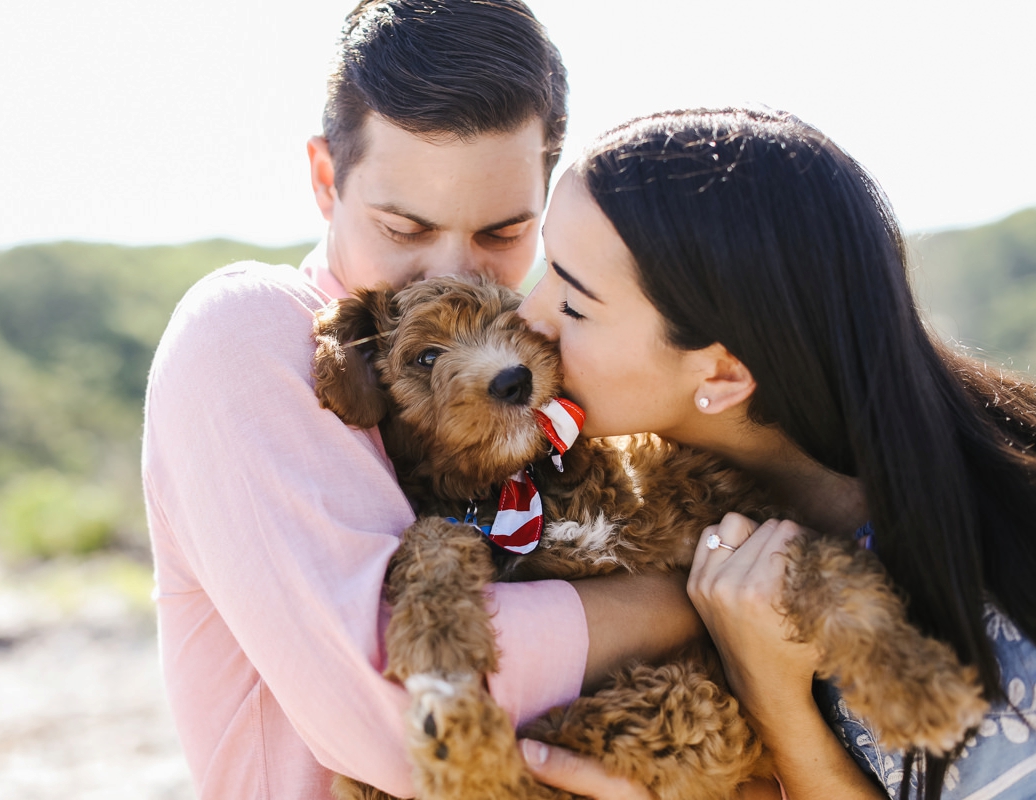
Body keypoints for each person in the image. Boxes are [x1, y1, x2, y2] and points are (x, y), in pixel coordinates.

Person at [141, 3, 702, 798]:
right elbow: (400, 715)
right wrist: (681, 601)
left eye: (503, 234)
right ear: (326, 179)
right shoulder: (252, 333)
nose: (456, 274)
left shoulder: (535, 363)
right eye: (406, 228)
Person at [515, 107, 1036, 800]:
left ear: (723, 374)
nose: (528, 317)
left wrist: (774, 698)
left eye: (575, 305)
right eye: (545, 268)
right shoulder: (664, 513)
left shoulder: (984, 611)